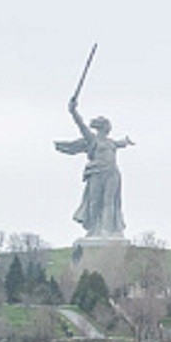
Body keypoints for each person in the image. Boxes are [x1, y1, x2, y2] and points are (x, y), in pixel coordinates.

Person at [54, 96, 132, 239]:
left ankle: (107, 230)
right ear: (102, 127)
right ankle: (93, 230)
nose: (109, 128)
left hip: (112, 173)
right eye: (107, 125)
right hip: (97, 173)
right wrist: (73, 111)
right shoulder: (93, 139)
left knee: (110, 201)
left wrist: (126, 141)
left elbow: (121, 143)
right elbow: (81, 126)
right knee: (95, 202)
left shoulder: (111, 143)